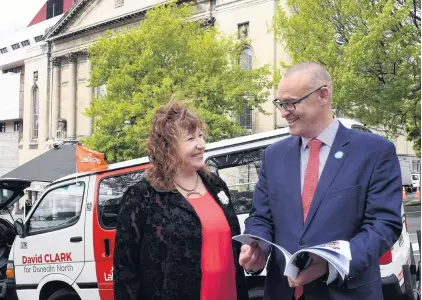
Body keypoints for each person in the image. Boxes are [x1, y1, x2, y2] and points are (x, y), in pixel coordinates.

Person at [239, 62, 402, 300]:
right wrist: (256, 249)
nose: (284, 112)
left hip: (347, 293)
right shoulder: (273, 156)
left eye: (291, 103)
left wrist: (329, 264)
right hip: (283, 292)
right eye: (280, 104)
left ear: (323, 95)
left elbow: (383, 225)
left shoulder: (374, 152)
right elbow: (261, 217)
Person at [113, 100, 248, 300]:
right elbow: (125, 270)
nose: (200, 144)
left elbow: (233, 249)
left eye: (200, 136)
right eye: (191, 138)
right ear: (168, 147)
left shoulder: (216, 185)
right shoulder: (142, 196)